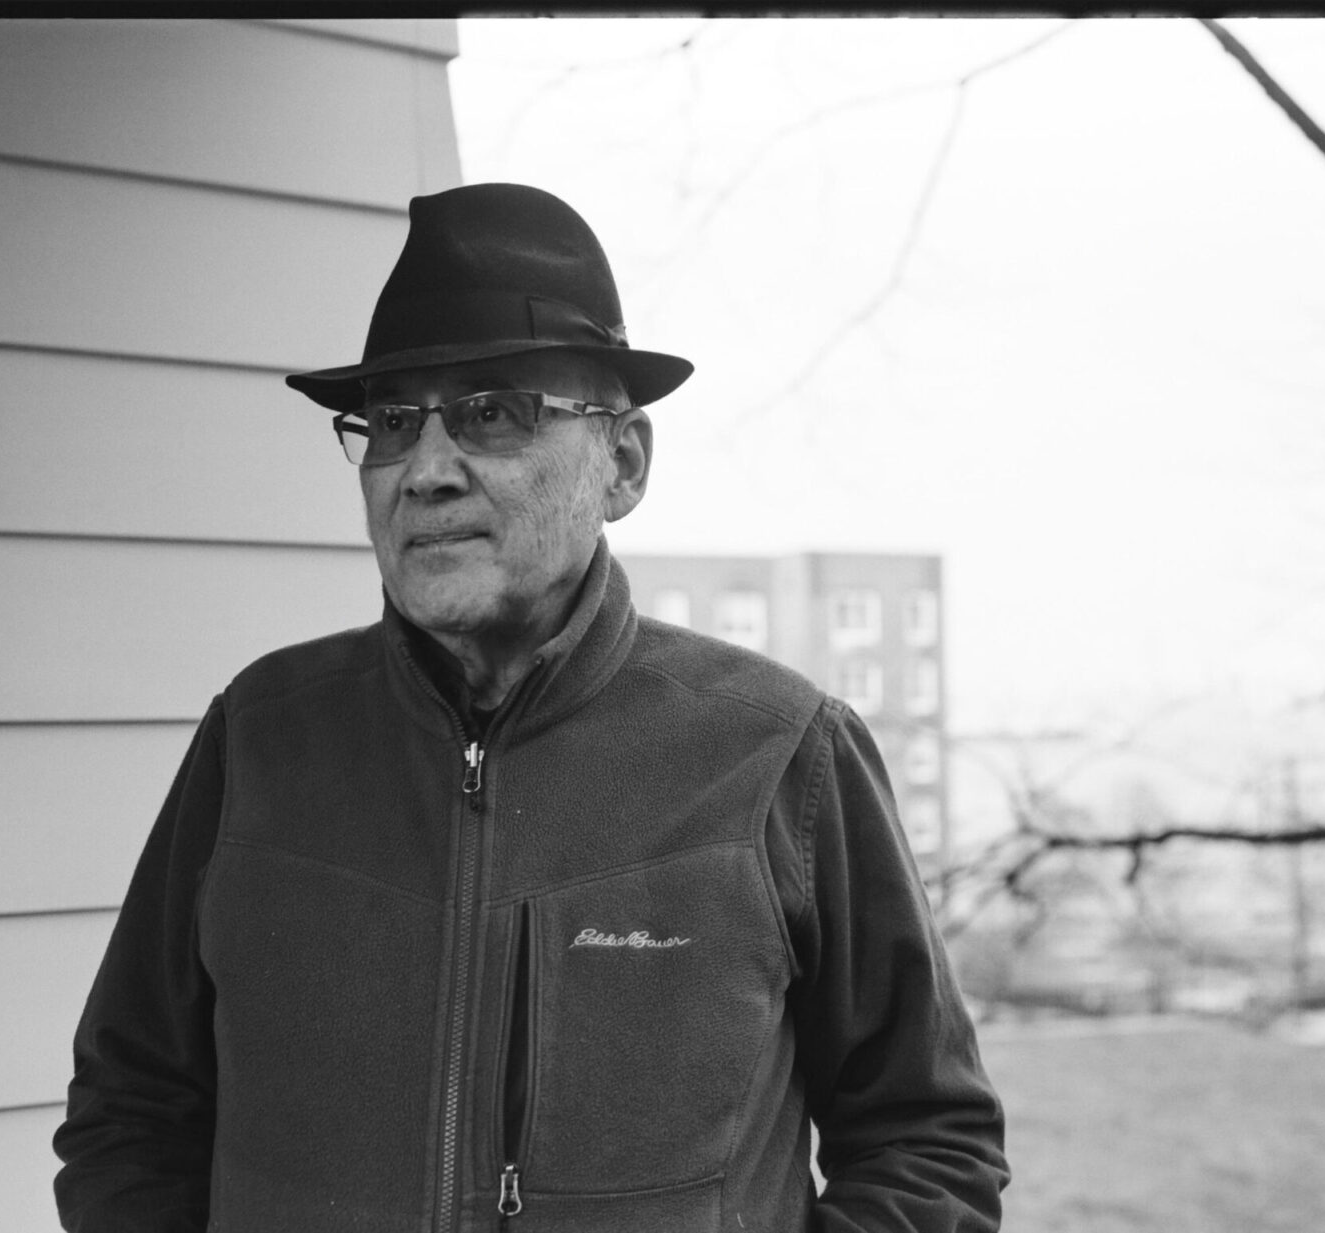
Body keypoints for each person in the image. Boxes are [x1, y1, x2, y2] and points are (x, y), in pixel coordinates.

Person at [53, 182, 1008, 1232]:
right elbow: (128, 1116)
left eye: (493, 413)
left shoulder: (781, 754)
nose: (425, 471)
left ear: (622, 464)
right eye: (392, 422)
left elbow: (929, 1141)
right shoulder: (259, 738)